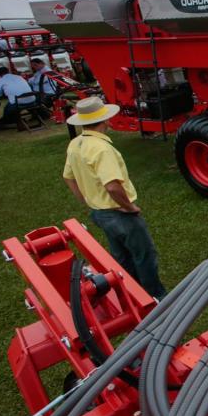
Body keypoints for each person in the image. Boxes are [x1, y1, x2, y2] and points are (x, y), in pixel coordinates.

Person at [62, 97, 166, 298]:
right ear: (105, 120)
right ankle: (156, 297)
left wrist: (86, 200)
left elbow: (68, 177)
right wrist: (128, 207)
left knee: (121, 256)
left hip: (99, 212)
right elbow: (112, 186)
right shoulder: (101, 148)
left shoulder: (76, 143)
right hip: (119, 213)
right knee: (144, 255)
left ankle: (131, 292)